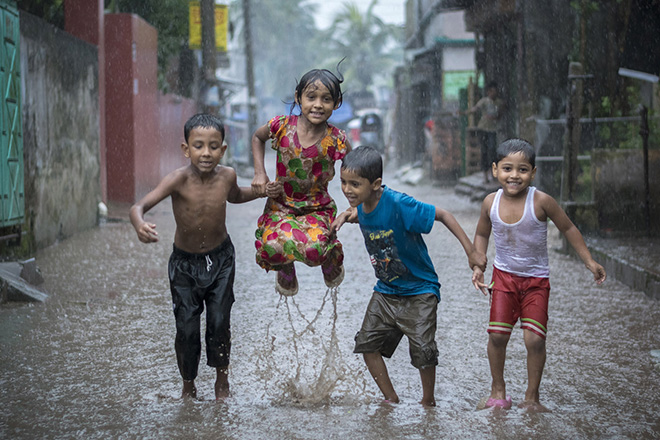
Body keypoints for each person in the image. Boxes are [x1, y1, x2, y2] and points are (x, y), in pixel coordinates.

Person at [331, 146, 486, 407]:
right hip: (386, 290)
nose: (347, 190)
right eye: (344, 182)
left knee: (424, 351)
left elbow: (444, 215)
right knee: (367, 345)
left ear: (376, 184)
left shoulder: (400, 204)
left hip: (420, 289)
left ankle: (428, 402)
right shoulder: (363, 204)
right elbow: (362, 213)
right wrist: (346, 215)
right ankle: (390, 399)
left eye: (355, 184)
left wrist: (471, 252)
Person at [129, 113, 266, 400]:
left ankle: (222, 381)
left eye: (214, 146)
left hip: (221, 259)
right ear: (186, 149)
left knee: (219, 321)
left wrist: (262, 192)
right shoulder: (177, 179)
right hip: (184, 265)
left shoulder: (227, 174)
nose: (206, 153)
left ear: (223, 149)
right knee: (187, 328)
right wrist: (139, 223)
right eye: (199, 146)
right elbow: (139, 206)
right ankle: (188, 386)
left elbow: (235, 196)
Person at [471, 138, 606, 412]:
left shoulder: (542, 201)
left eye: (522, 170)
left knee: (534, 339)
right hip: (504, 278)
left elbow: (568, 228)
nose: (514, 176)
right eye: (507, 169)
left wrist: (589, 261)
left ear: (532, 173)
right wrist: (478, 263)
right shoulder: (490, 202)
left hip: (536, 282)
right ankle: (498, 392)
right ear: (495, 170)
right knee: (497, 336)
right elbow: (482, 233)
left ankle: (532, 397)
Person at [251, 67, 352, 296]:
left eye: (326, 99)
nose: (318, 105)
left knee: (314, 251)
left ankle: (330, 256)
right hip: (281, 207)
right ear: (298, 98)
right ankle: (285, 267)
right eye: (311, 97)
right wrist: (260, 174)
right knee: (271, 248)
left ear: (336, 103)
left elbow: (354, 168)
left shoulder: (337, 139)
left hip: (318, 209)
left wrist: (355, 205)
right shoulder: (281, 126)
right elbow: (257, 137)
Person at [464, 81, 504, 184]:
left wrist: (493, 117)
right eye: (491, 91)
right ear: (488, 92)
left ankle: (493, 174)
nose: (493, 93)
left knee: (492, 150)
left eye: (495, 91)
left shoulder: (499, 103)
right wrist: (466, 112)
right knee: (484, 151)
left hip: (493, 130)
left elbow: (500, 115)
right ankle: (485, 176)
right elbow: (475, 109)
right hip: (483, 129)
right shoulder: (484, 101)